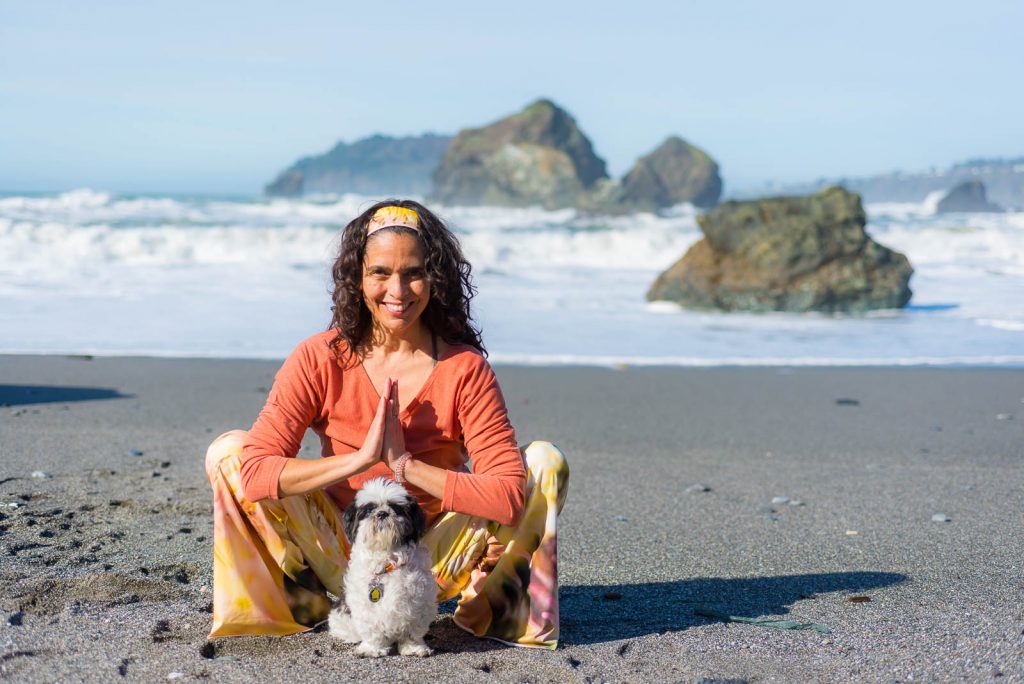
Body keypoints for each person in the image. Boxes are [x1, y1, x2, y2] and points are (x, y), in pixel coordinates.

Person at [204, 200, 569, 649]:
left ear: (435, 279)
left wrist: (404, 466)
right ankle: (295, 602)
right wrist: (359, 460)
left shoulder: (464, 369)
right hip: (341, 552)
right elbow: (254, 473)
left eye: (414, 272)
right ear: (357, 278)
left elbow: (509, 496)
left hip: (434, 559)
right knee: (229, 453)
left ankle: (493, 611)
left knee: (544, 462)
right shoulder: (320, 358)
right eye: (380, 272)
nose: (397, 290)